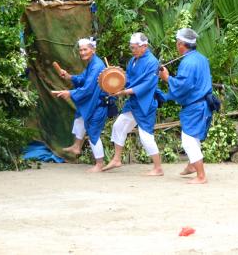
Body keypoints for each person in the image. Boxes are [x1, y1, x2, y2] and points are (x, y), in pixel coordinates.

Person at [103, 33, 163, 176]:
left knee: (145, 136)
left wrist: (123, 92)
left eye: (135, 48)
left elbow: (147, 85)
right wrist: (117, 80)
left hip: (146, 102)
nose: (133, 50)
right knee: (118, 125)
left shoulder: (152, 62)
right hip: (133, 102)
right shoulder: (132, 61)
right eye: (131, 48)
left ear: (144, 47)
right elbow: (128, 78)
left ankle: (158, 168)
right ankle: (117, 159)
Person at [159, 28, 213, 184]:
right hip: (201, 102)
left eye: (177, 42)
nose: (176, 45)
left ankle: (201, 176)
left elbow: (184, 86)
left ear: (181, 44)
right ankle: (192, 166)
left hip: (196, 104)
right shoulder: (201, 58)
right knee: (193, 136)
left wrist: (167, 78)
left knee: (188, 139)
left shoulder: (188, 62)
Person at [53, 37, 107, 172]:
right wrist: (69, 77)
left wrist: (70, 93)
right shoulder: (91, 63)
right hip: (93, 102)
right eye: (81, 50)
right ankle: (77, 146)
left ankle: (100, 164)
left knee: (93, 132)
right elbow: (83, 78)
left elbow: (88, 88)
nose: (82, 52)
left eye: (85, 49)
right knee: (80, 116)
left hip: (99, 104)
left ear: (92, 50)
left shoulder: (97, 65)